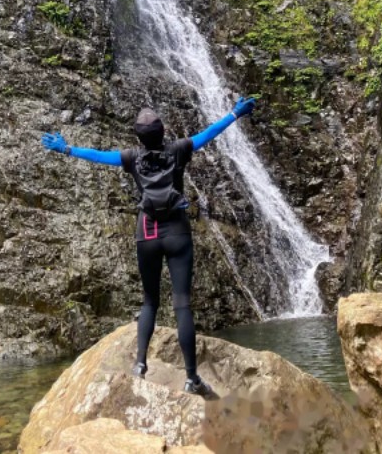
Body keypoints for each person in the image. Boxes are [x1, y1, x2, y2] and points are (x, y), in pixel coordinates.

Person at [41, 96, 256, 398]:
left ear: (138, 138)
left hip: (148, 231)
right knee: (181, 303)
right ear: (163, 131)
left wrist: (65, 148)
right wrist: (235, 112)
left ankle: (140, 366)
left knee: (149, 301)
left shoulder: (130, 158)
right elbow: (209, 133)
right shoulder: (180, 149)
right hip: (177, 231)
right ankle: (192, 378)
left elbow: (99, 156)